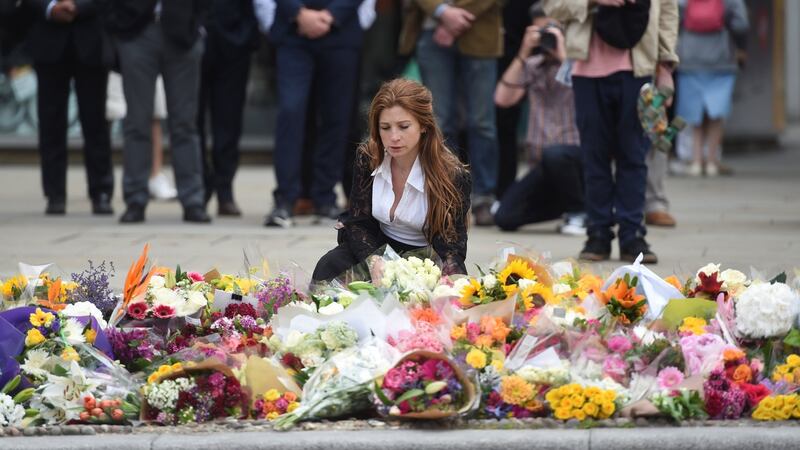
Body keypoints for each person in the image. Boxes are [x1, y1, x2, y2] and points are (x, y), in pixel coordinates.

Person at [543, 0, 680, 263]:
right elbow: (552, 6)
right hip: (586, 69)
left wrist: (665, 66)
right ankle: (598, 234)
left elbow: (667, 12)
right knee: (594, 156)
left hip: (638, 68)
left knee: (634, 155)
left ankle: (632, 235)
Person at [312, 79, 471, 282]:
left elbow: (452, 246)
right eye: (385, 128)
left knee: (436, 295)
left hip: (426, 259)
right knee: (330, 265)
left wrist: (448, 279)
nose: (394, 137)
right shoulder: (368, 157)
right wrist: (374, 260)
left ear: (423, 125)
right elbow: (359, 222)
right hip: (377, 246)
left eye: (403, 127)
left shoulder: (453, 174)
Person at [103, 0, 211, 224]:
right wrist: (116, 26)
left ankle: (193, 200)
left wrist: (199, 26)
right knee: (136, 122)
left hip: (183, 33)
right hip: (135, 32)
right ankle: (135, 199)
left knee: (185, 124)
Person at [398, 0, 502, 226]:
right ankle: (443, 194)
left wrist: (455, 18)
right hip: (430, 30)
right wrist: (442, 12)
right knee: (438, 121)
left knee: (482, 123)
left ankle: (484, 198)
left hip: (480, 32)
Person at [263, 0, 364, 228]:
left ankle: (325, 198)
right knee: (291, 112)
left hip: (341, 33)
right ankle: (286, 199)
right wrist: (299, 13)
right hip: (293, 33)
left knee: (336, 118)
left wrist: (331, 15)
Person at [492, 9, 584, 235]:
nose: (546, 36)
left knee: (556, 154)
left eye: (551, 29)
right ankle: (574, 207)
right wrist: (523, 53)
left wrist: (563, 53)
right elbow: (502, 99)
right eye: (540, 30)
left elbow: (587, 95)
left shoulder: (580, 64)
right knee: (504, 217)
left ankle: (581, 213)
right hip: (542, 166)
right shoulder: (532, 65)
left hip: (577, 162)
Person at [25, 0, 114, 216]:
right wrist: (51, 7)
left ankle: (101, 191)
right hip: (48, 40)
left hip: (90, 38)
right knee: (50, 122)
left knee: (95, 123)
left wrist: (78, 6)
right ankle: (55, 194)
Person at [198, 0, 259, 217]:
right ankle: (199, 191)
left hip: (234, 41)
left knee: (228, 123)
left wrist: (246, 34)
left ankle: (224, 192)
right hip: (192, 39)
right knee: (191, 122)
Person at [675, 0, 748, 177]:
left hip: (690, 56)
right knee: (716, 114)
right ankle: (712, 162)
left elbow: (673, 17)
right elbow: (741, 24)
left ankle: (696, 161)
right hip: (721, 56)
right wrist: (741, 47)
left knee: (694, 114)